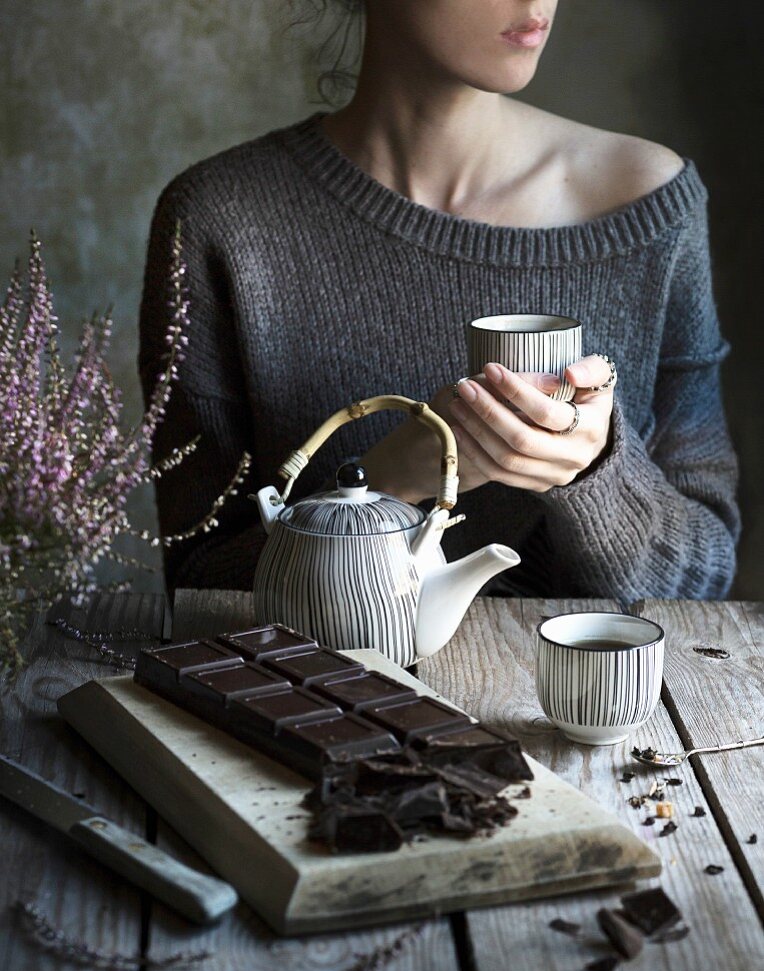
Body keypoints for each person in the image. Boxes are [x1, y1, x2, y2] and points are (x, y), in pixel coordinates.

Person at [138, 0, 740, 602]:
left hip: (577, 698)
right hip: (316, 691)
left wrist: (596, 472)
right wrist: (387, 483)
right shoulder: (221, 222)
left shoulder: (648, 207)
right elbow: (200, 584)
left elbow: (705, 576)